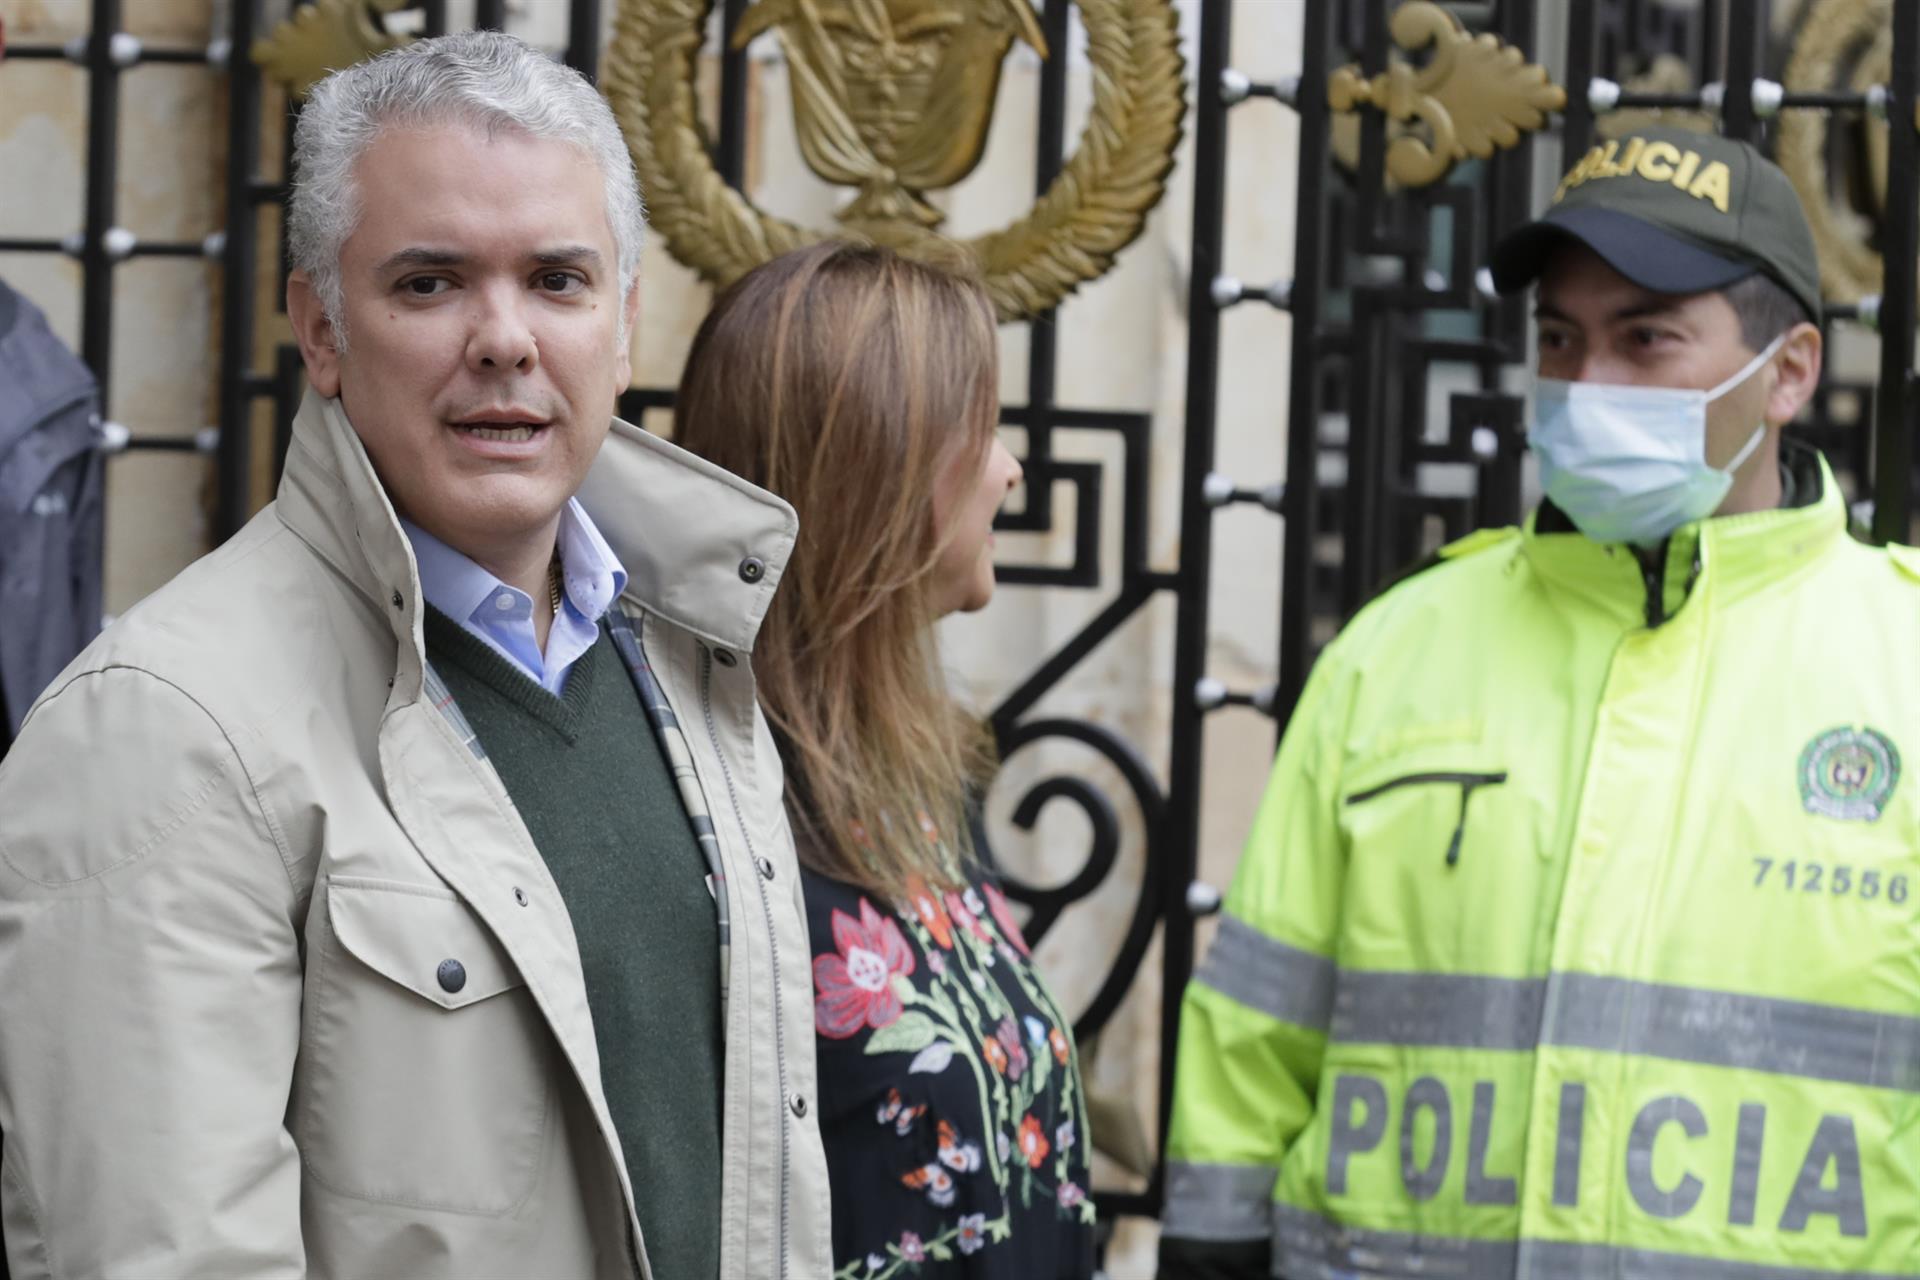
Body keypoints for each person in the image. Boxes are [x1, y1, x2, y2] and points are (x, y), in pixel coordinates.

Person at [0, 31, 829, 1279]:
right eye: (431, 283)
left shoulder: (689, 657)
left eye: (558, 280)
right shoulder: (163, 729)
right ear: (319, 329)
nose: (505, 338)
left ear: (624, 323)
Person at [1159, 125, 1920, 1279]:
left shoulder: (1899, 660)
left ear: (1790, 371)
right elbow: (1251, 1052)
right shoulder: (1398, 647)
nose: (1585, 384)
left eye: (1646, 340)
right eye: (1558, 339)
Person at [674, 241, 1096, 1279]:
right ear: (883, 465)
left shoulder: (926, 777)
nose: (1010, 468)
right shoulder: (705, 813)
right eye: (981, 429)